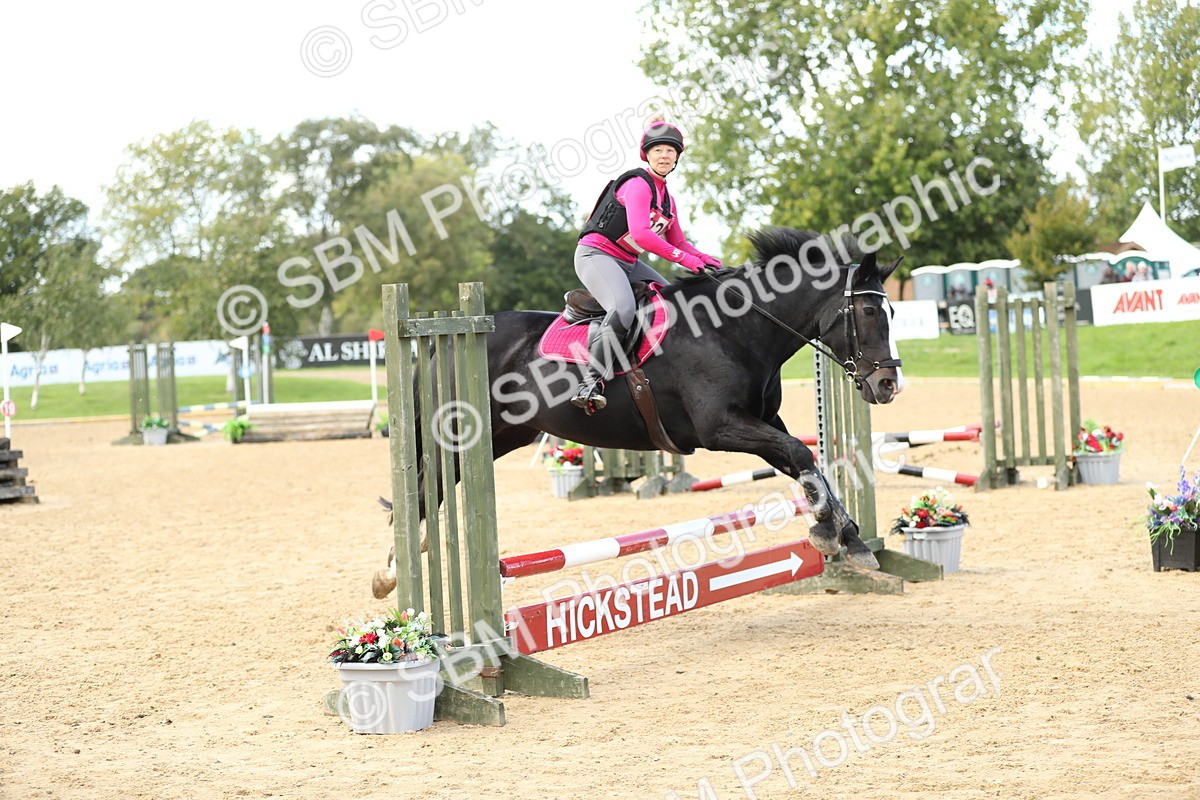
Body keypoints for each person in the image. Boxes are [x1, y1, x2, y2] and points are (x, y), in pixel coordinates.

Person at [569, 117, 723, 413]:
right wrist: (687, 261)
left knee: (671, 302)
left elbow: (679, 243)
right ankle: (590, 382)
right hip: (596, 256)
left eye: (670, 151)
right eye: (658, 150)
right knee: (623, 308)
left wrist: (707, 261)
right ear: (647, 155)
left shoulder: (668, 199)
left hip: (627, 262)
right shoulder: (638, 184)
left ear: (677, 157)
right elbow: (642, 234)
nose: (664, 156)